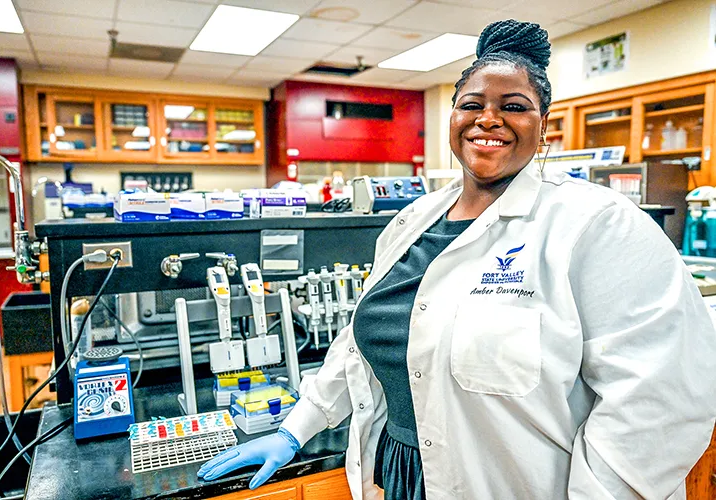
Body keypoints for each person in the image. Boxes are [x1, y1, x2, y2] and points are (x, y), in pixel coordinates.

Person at [198, 20, 716, 499]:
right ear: (453, 116)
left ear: (544, 124)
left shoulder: (597, 225)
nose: (488, 119)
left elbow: (658, 403)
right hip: (400, 474)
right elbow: (364, 341)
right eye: (472, 104)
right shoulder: (411, 222)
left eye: (514, 106)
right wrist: (297, 426)